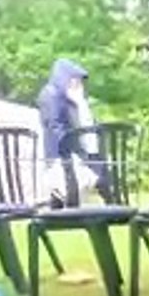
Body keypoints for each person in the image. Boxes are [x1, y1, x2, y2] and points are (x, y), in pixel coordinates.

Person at [36, 58, 103, 207]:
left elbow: (89, 124)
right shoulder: (51, 95)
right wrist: (75, 149)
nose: (77, 84)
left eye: (79, 81)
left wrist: (81, 104)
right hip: (61, 154)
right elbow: (55, 127)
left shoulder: (74, 99)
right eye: (74, 80)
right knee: (68, 189)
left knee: (93, 179)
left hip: (79, 153)